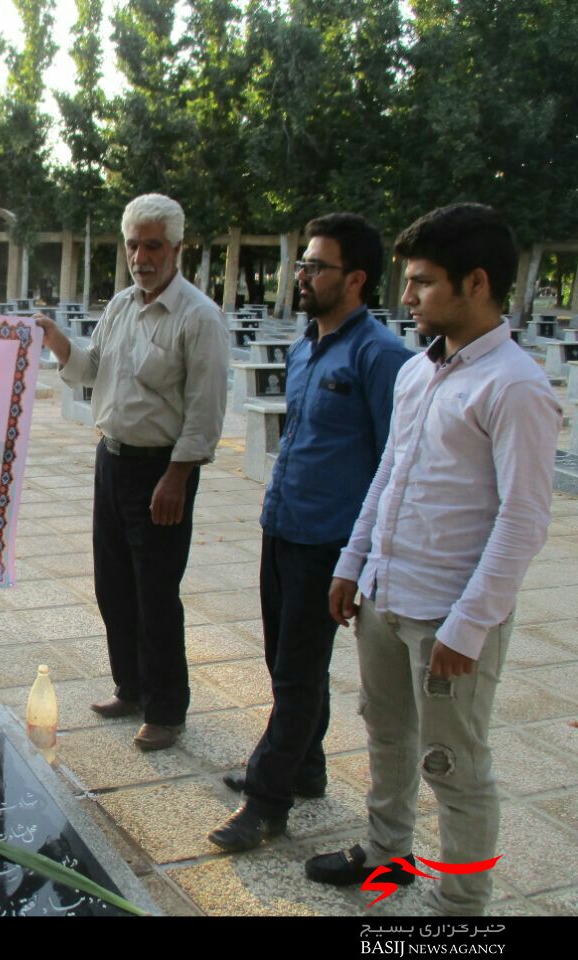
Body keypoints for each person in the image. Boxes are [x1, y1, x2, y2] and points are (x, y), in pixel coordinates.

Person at [306, 203, 561, 915]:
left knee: (455, 767)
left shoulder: (514, 387)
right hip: (388, 598)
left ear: (476, 283)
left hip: (449, 618)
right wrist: (353, 564)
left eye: (421, 283)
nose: (408, 298)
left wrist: (470, 623)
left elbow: (524, 520)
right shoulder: (420, 372)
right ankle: (386, 857)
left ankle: (460, 908)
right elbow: (388, 474)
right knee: (388, 737)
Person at [207, 214, 411, 852]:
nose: (302, 276)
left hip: (330, 543)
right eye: (302, 264)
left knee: (296, 672)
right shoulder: (303, 348)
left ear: (354, 279)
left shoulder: (381, 357)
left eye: (315, 267)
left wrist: (364, 559)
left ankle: (268, 801)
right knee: (283, 663)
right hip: (283, 528)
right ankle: (308, 767)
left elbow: (393, 462)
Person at [35, 193, 229, 751]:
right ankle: (132, 686)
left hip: (161, 473)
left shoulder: (199, 317)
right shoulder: (122, 305)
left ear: (176, 248)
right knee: (113, 585)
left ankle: (167, 708)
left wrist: (178, 477)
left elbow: (206, 410)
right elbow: (91, 368)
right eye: (133, 245)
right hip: (112, 459)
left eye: (153, 245)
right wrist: (56, 341)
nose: (141, 257)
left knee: (156, 593)